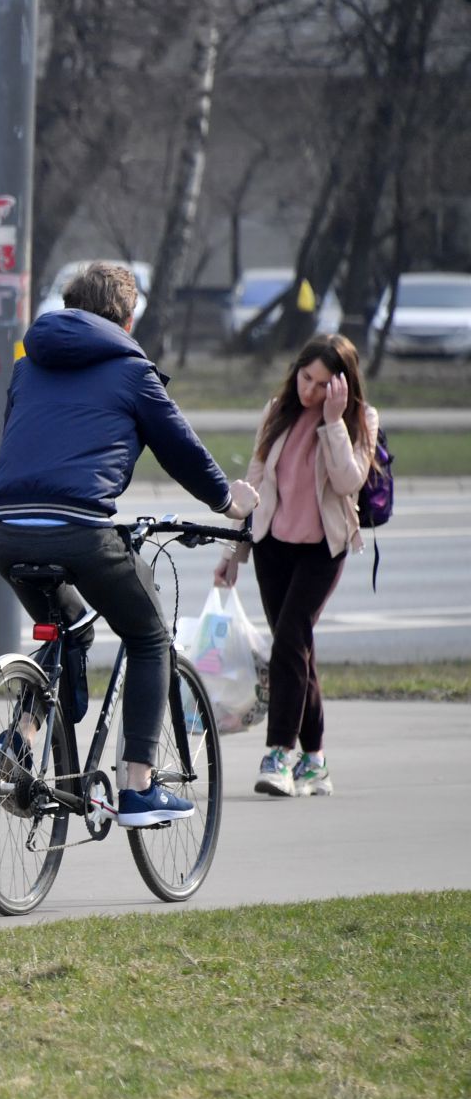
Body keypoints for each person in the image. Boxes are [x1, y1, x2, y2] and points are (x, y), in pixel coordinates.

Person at [0, 261, 259, 828]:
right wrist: (227, 503)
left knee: (69, 627)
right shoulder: (132, 370)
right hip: (80, 531)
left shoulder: (26, 364)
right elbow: (179, 448)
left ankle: (21, 737)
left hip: (8, 532)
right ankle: (138, 787)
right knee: (149, 633)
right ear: (127, 318)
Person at [213, 335, 376, 798]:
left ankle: (279, 754)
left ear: (342, 387)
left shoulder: (358, 420)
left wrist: (332, 424)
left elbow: (349, 481)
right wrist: (231, 555)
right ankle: (316, 760)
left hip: (322, 551)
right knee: (297, 650)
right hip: (272, 548)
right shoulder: (277, 412)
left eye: (323, 385)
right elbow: (254, 483)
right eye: (307, 378)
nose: (310, 391)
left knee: (288, 642)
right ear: (296, 371)